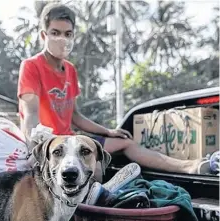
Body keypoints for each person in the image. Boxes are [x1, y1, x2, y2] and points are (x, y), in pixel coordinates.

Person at [17, 3, 201, 178]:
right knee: (94, 168)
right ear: (43, 35)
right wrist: (38, 150)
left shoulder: (70, 70)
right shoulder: (31, 66)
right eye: (55, 33)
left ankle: (191, 166)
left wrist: (108, 131)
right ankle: (93, 205)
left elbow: (75, 116)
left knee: (126, 143)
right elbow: (30, 114)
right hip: (52, 144)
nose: (62, 39)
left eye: (68, 34)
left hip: (73, 139)